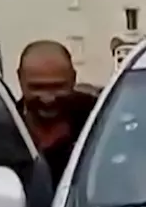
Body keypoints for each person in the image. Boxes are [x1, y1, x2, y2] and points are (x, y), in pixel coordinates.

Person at [12, 40, 97, 187]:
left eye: (58, 87)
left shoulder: (99, 119)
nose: (48, 98)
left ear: (73, 79)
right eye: (37, 87)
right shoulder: (5, 127)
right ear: (20, 79)